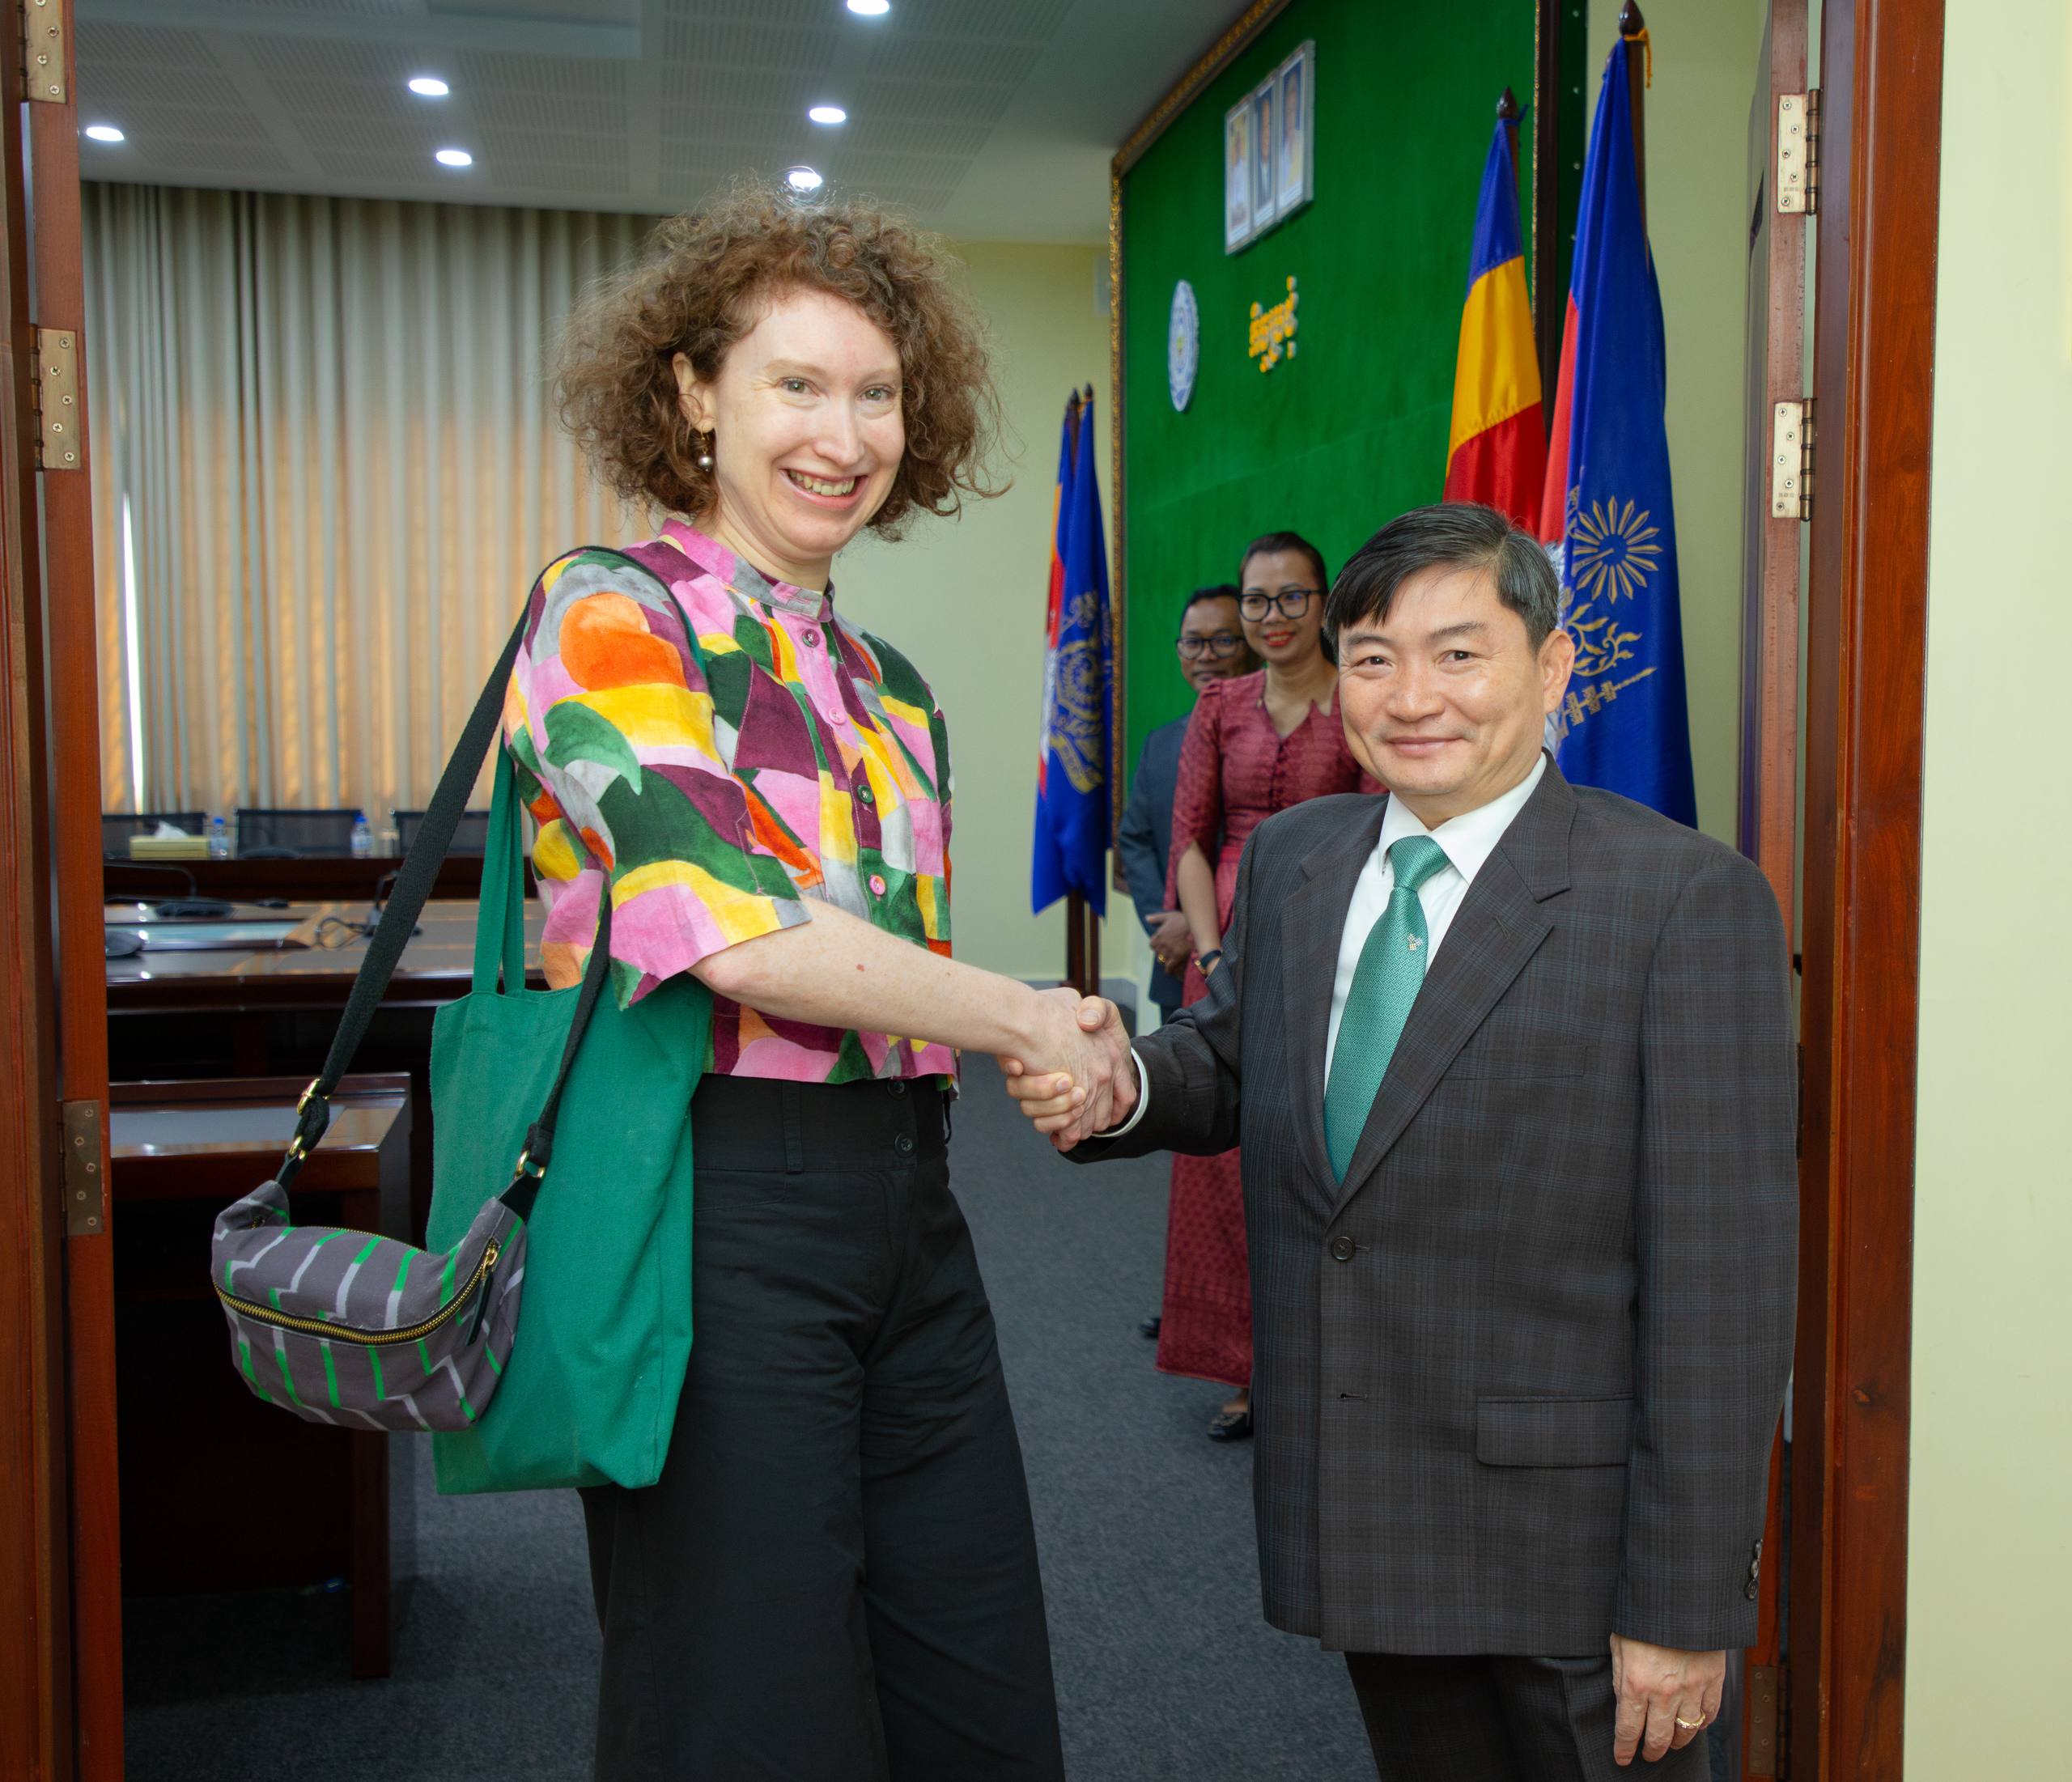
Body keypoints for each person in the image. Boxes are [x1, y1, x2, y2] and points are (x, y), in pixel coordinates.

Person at [1008, 503, 1796, 1778]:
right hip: (1365, 1495)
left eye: (1459, 653)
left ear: (1552, 665)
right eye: (1373, 658)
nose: (1412, 697)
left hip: (1573, 1551)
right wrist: (1120, 1086)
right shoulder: (1298, 860)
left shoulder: (1680, 900)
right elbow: (1234, 1057)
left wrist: (1681, 1597)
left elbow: (1724, 1290)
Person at [512, 183, 1090, 1781]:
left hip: (910, 1202)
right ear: (694, 393)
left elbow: (884, 982)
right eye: (796, 383)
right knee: (747, 1702)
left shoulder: (890, 687)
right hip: (707, 1207)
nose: (844, 435)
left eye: (877, 393)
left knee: (974, 1673)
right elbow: (735, 933)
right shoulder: (608, 611)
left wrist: (1025, 1041)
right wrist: (1029, 1017)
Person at [1161, 531, 1382, 1438]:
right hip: (1224, 948)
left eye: (1292, 597)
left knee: (1323, 1154)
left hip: (1332, 940)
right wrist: (1212, 960)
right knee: (1220, 1165)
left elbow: (1379, 828)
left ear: (1324, 603)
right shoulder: (1220, 705)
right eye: (1257, 600)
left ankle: (1327, 1362)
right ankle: (1245, 1369)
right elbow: (1190, 839)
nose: (1273, 616)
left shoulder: (1360, 699)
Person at [1116, 582, 1253, 1343]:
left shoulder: (1267, 735)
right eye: (1193, 643)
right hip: (1179, 959)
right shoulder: (1164, 741)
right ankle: (1194, 1305)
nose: (1207, 656)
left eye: (1223, 640)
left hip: (1243, 955)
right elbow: (1137, 838)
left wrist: (1199, 926)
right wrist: (1160, 918)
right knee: (1192, 1142)